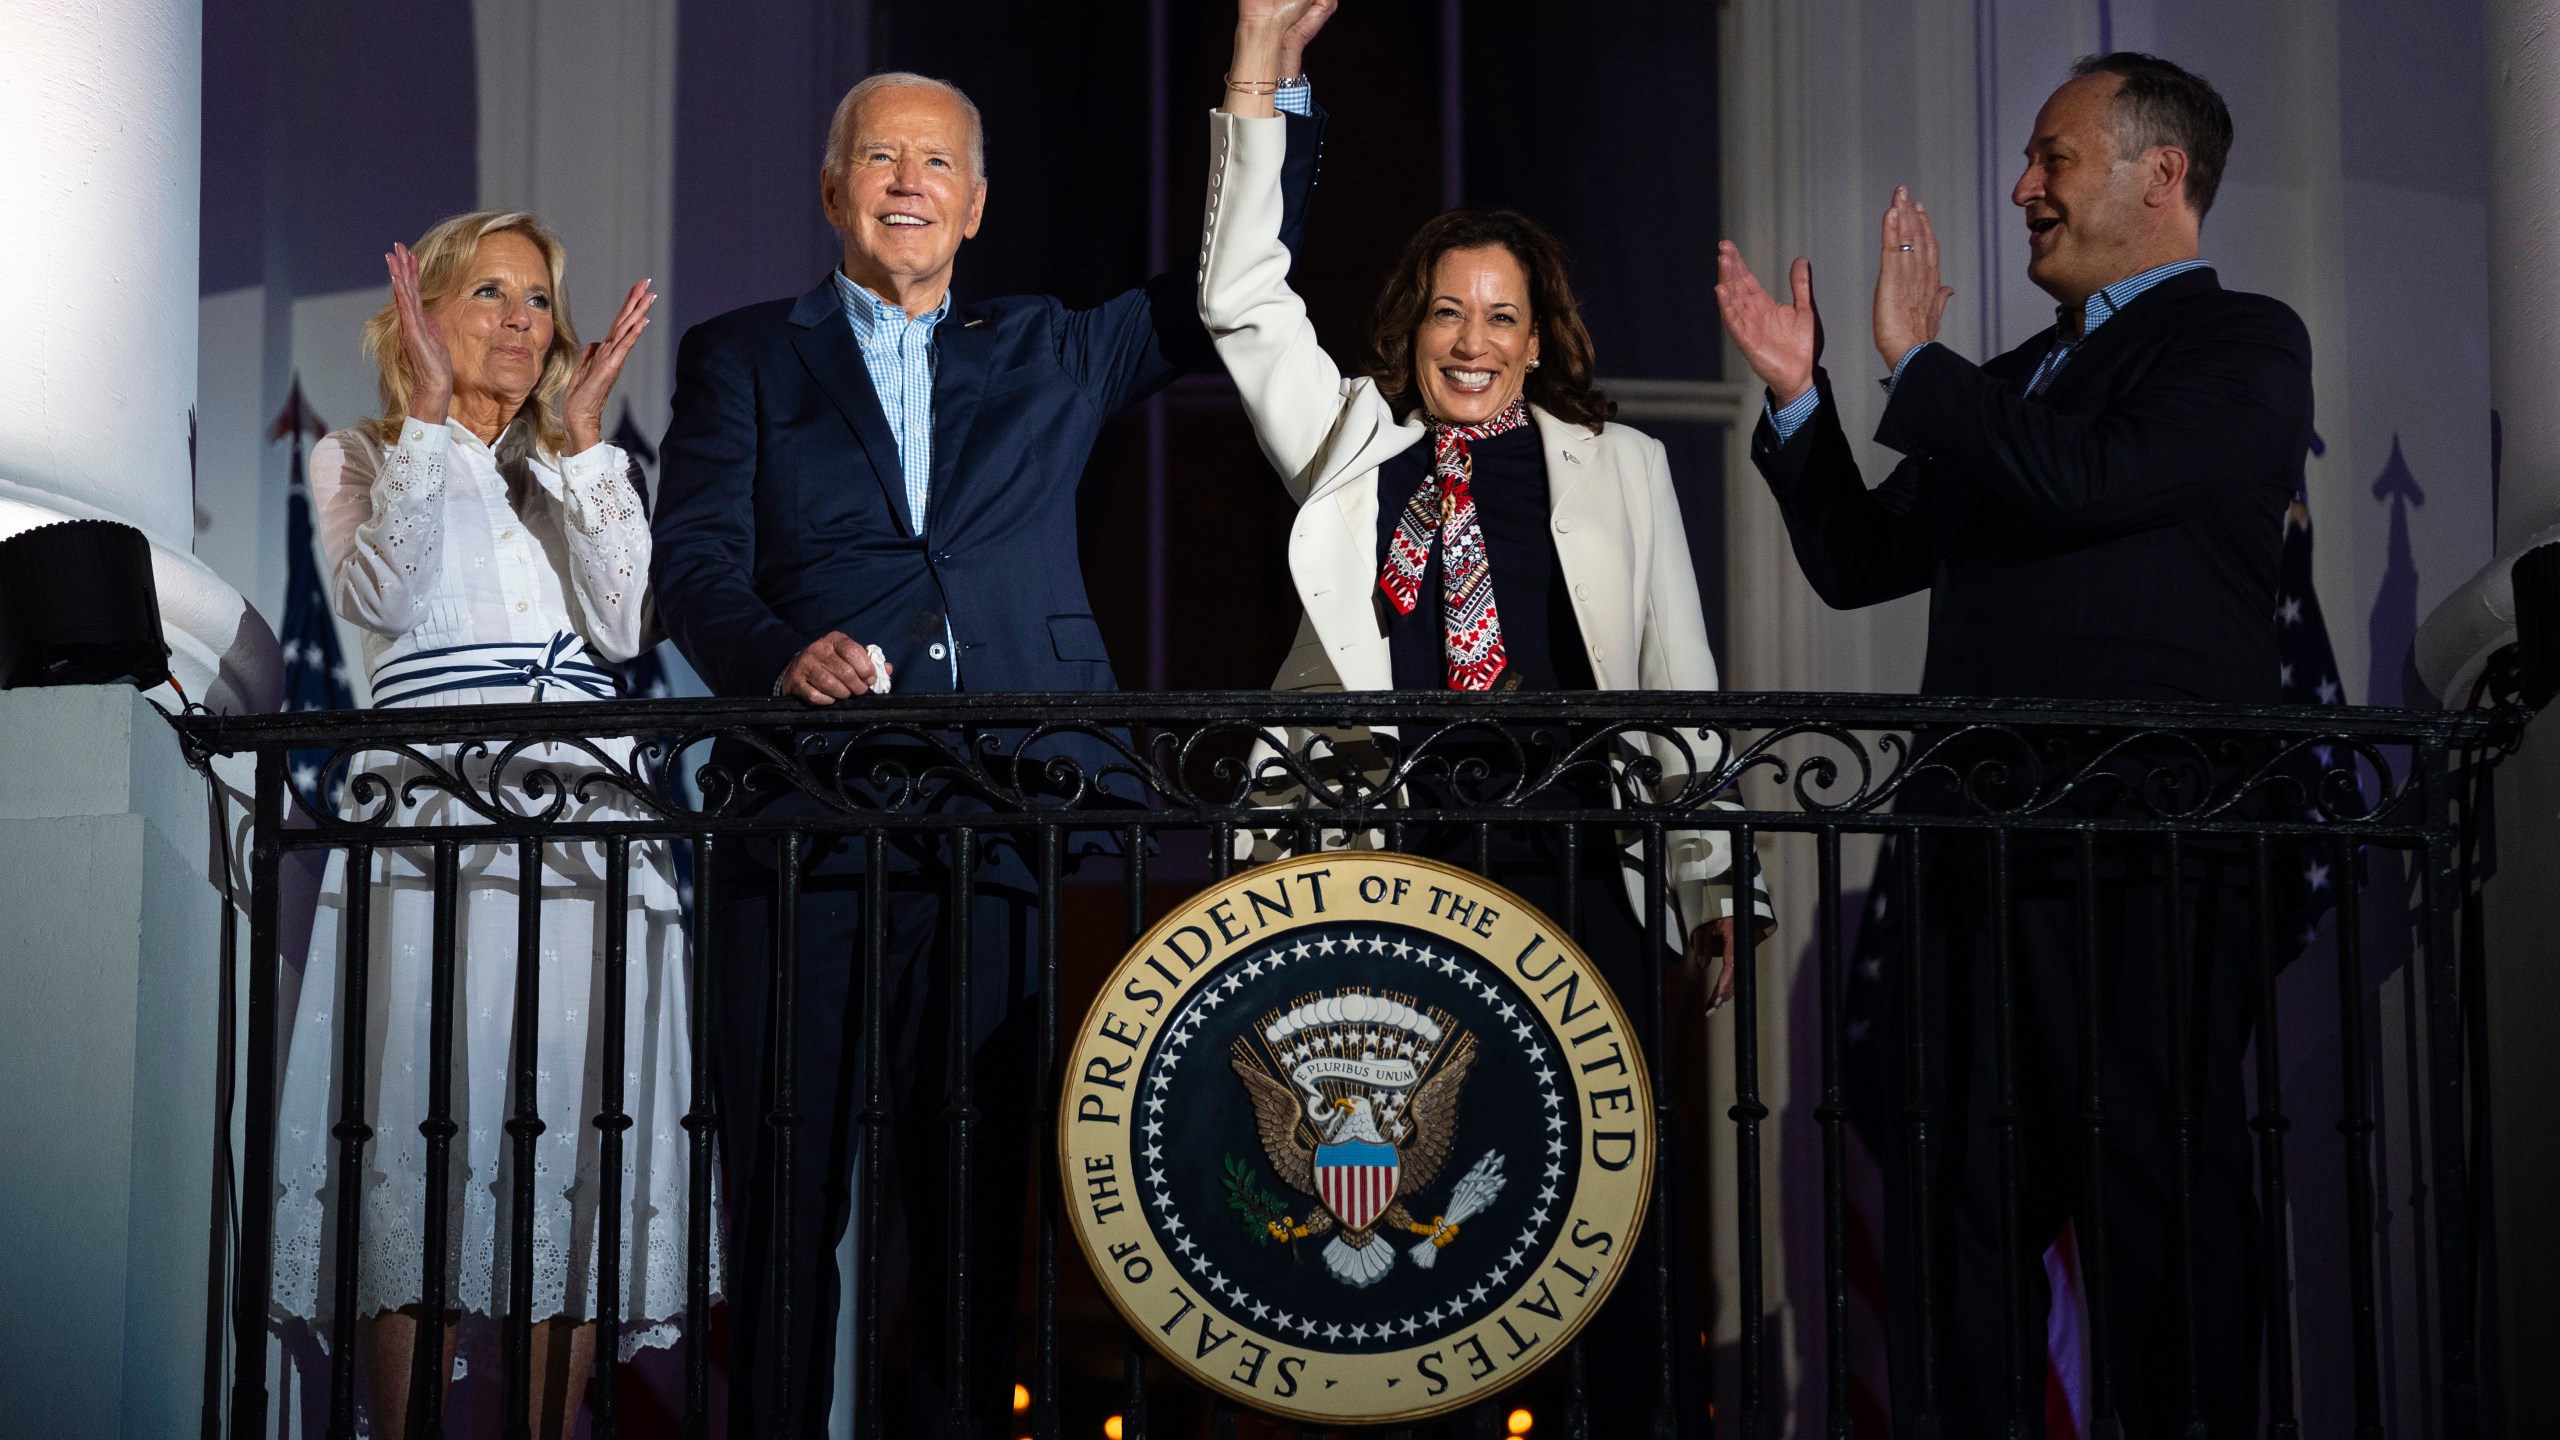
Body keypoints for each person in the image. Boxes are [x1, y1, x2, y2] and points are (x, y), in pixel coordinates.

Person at [649, 8, 1335, 1433]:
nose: (908, 181)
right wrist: (782, 659)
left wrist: (1261, 72)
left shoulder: (1052, 350)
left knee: (969, 1206)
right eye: (880, 158)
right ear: (832, 190)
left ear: (976, 202)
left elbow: (1230, 281)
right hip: (804, 826)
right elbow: (695, 562)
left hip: (1001, 814)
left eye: (938, 162)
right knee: (788, 1197)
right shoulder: (742, 360)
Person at [1716, 53, 2310, 1438]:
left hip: (2150, 852)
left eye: (2054, 157)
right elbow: (1868, 560)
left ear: (2162, 176)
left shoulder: (2244, 345)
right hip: (1977, 867)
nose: (2022, 187)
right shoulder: (2013, 375)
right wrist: (1803, 406)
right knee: (1959, 1230)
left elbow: (2092, 480)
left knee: (2156, 1216)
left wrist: (1918, 368)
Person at [1203, 6, 1768, 1429]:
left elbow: (1677, 683)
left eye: (1501, 315)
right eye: (1449, 310)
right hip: (1400, 870)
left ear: (1540, 337)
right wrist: (1258, 75)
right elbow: (1242, 302)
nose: (1472, 338)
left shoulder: (1618, 465)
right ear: (1416, 324)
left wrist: (1714, 883)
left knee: (1606, 1200)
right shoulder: (1357, 448)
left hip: (1581, 868)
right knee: (1420, 1226)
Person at [271, 211, 713, 1440]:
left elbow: (625, 632)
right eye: (489, 293)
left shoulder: (567, 480)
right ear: (417, 318)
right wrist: (424, 419)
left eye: (537, 300)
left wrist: (581, 449)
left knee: (574, 1150)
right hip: (434, 841)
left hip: (587, 849)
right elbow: (385, 592)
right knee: (423, 1133)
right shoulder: (360, 456)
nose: (521, 320)